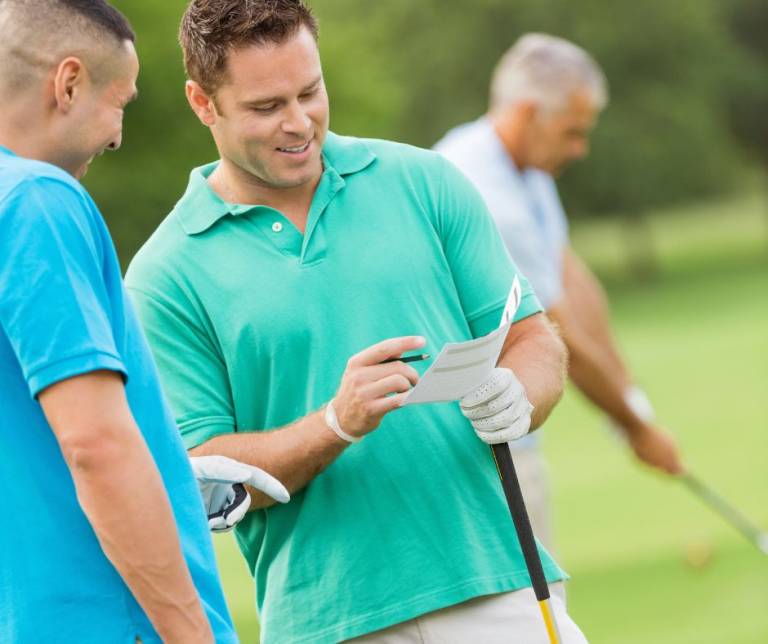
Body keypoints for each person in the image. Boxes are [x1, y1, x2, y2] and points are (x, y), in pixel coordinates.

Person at [124, 1, 590, 642]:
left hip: (500, 582)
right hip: (329, 621)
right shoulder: (163, 277)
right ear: (204, 104)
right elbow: (199, 472)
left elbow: (531, 339)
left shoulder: (425, 182)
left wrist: (521, 391)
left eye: (310, 92)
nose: (298, 123)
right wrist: (334, 424)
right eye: (266, 107)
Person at [0, 1, 288, 642]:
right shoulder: (37, 201)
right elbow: (94, 445)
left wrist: (169, 474)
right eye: (119, 103)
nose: (118, 134)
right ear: (68, 83)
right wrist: (190, 633)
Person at [434, 33, 684, 550]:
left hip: (506, 429)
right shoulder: (486, 195)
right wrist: (637, 429)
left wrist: (629, 395)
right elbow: (556, 331)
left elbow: (572, 278)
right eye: (572, 133)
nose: (580, 149)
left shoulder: (525, 167)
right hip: (477, 447)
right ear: (528, 114)